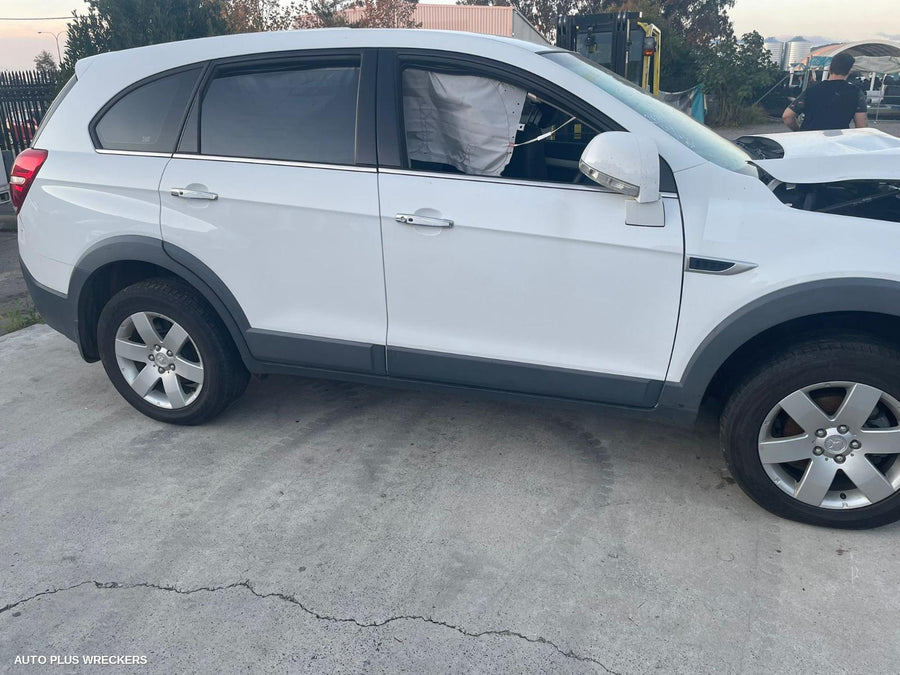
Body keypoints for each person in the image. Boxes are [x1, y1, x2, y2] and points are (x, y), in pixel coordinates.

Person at [782, 52, 868, 131]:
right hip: (836, 141)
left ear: (830, 68)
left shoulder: (812, 89)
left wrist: (799, 131)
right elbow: (861, 125)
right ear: (849, 71)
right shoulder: (856, 93)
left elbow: (787, 116)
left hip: (809, 139)